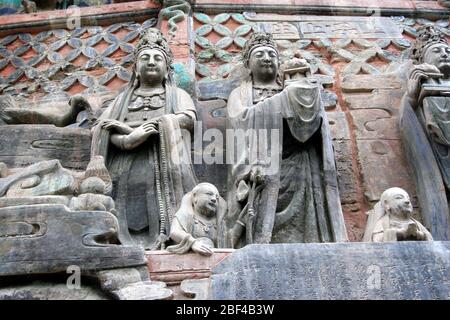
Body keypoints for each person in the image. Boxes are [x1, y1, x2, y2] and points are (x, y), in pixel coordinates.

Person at [226, 32, 347, 247]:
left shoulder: (294, 90)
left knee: (307, 215)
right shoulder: (240, 94)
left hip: (300, 164)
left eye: (272, 54)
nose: (267, 58)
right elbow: (240, 121)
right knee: (260, 215)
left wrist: (301, 100)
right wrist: (282, 102)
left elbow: (311, 125)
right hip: (263, 163)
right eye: (260, 54)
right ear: (248, 63)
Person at [91, 28, 197, 250]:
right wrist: (127, 140)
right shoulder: (122, 100)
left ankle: (167, 236)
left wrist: (148, 127)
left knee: (158, 205)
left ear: (168, 70)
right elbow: (99, 128)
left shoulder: (178, 95)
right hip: (123, 165)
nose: (151, 62)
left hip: (162, 164)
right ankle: (116, 237)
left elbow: (188, 119)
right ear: (136, 69)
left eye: (158, 58)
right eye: (145, 58)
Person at [399, 25, 450, 240]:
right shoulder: (422, 80)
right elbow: (408, 119)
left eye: (447, 51)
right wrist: (411, 97)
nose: (445, 54)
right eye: (437, 51)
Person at [167, 183, 246, 255]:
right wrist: (193, 243)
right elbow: (174, 232)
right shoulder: (186, 214)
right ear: (195, 197)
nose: (214, 199)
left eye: (217, 197)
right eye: (209, 194)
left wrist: (241, 222)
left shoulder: (218, 223)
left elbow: (227, 243)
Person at [363, 187, 432, 242]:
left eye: (408, 198)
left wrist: (419, 234)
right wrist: (401, 233)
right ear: (387, 204)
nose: (407, 201)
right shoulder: (383, 222)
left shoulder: (415, 223)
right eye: (399, 198)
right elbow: (377, 240)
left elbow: (430, 240)